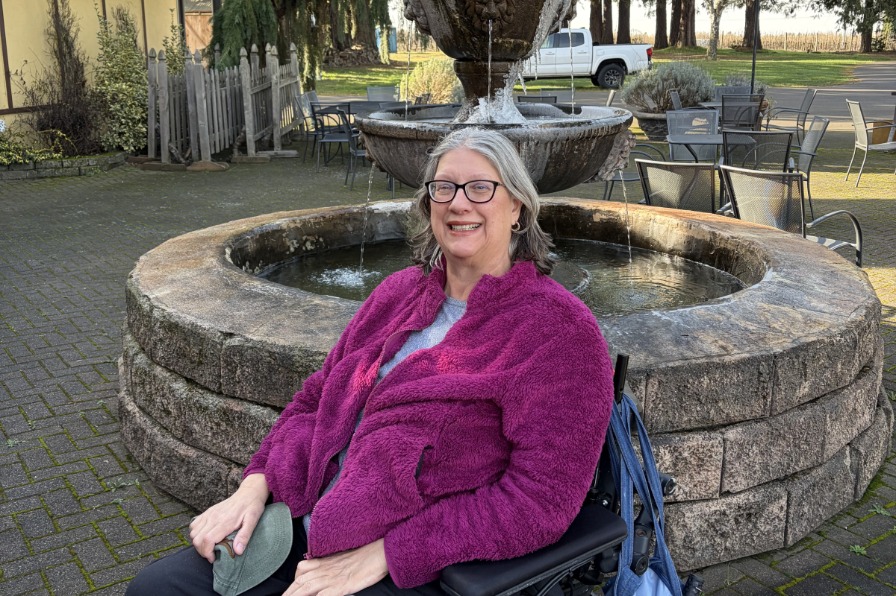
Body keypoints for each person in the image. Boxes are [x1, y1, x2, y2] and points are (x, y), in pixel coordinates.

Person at [126, 127, 615, 596]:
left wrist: (389, 554)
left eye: (481, 188)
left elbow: (541, 501)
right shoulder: (397, 293)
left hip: (420, 561)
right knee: (155, 589)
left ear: (517, 207)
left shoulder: (559, 332)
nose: (459, 203)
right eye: (443, 187)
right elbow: (315, 399)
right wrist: (255, 484)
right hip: (302, 524)